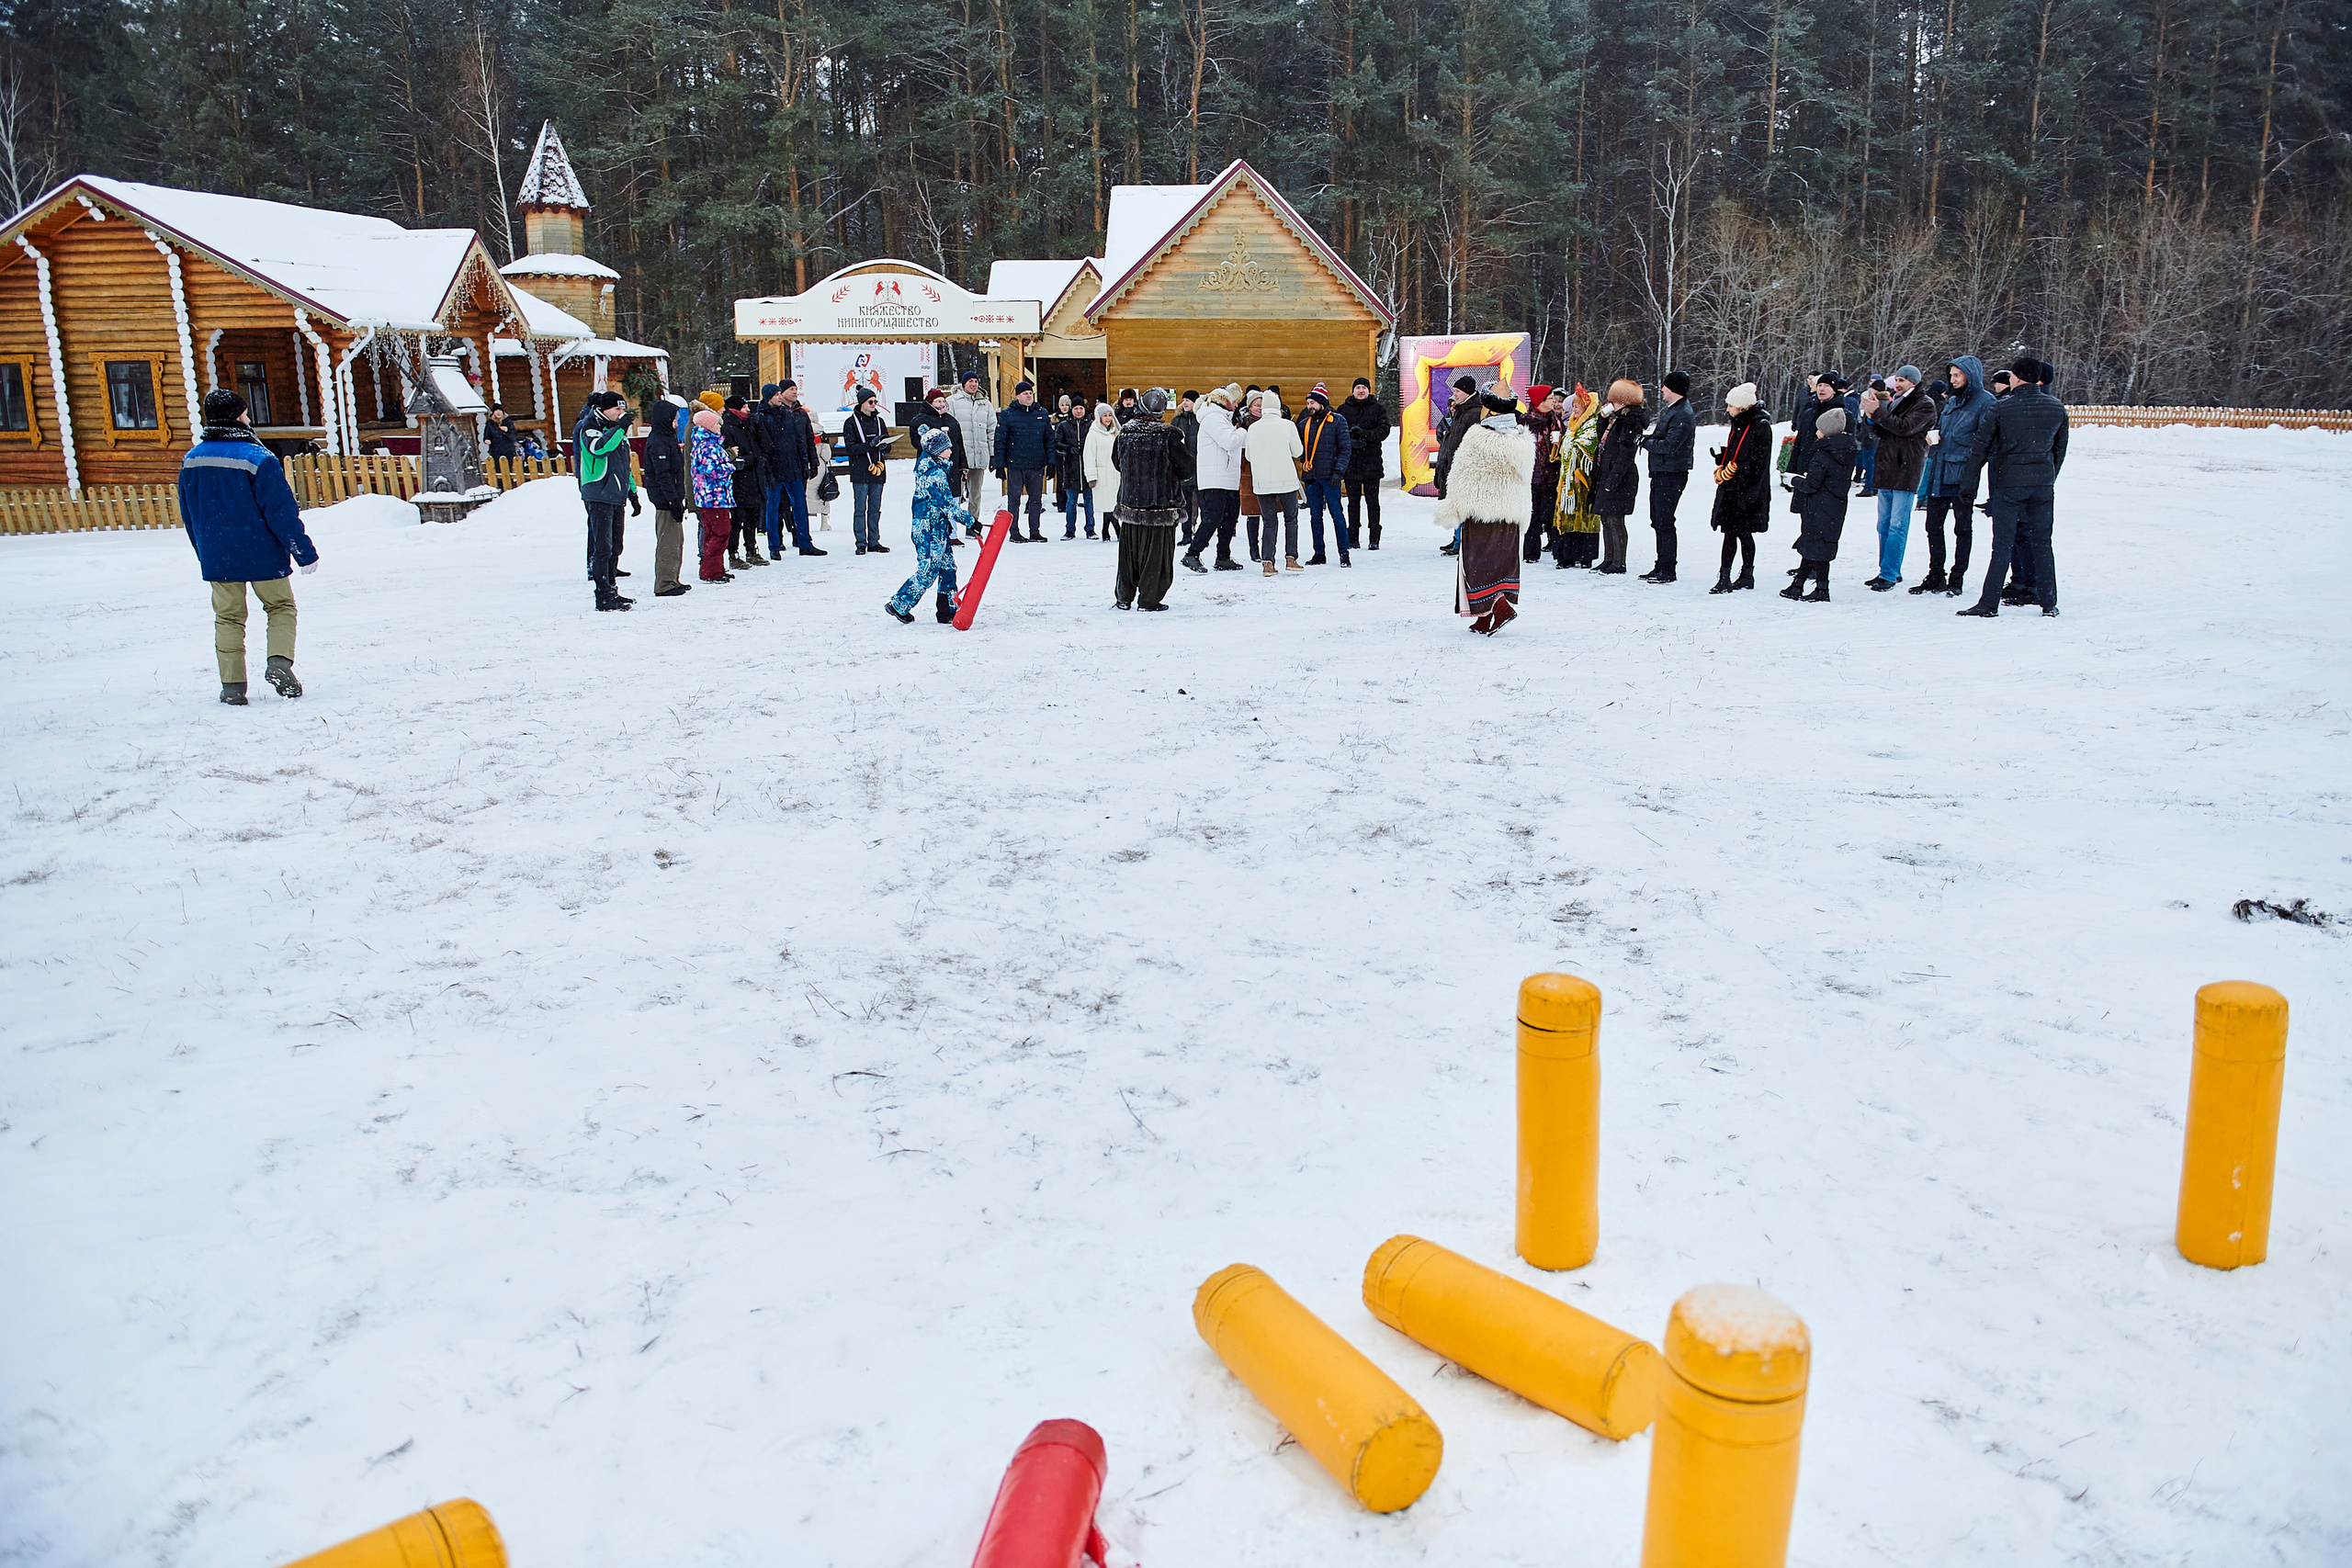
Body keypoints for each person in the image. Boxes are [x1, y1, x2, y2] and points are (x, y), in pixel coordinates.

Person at [179, 389, 320, 701]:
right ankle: (279, 662)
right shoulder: (257, 457)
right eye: (245, 412)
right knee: (280, 607)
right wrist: (302, 551)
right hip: (262, 551)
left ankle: (232, 687)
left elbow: (189, 513)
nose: (248, 418)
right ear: (237, 416)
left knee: (228, 617)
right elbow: (281, 512)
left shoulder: (192, 460)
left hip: (217, 553)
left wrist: (203, 550)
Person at [1957, 356, 2068, 619]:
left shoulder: (2002, 408)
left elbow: (1979, 450)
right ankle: (2049, 601)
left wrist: (1968, 486)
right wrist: (2048, 478)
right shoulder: (2056, 408)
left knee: (2003, 544)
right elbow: (2059, 451)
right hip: (2041, 485)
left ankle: (1989, 603)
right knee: (2042, 543)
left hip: (2009, 484)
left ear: (2015, 378)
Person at [1436, 387, 1532, 635]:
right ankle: (1483, 618)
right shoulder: (1522, 438)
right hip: (1510, 512)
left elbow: (1462, 474)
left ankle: (1500, 609)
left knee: (1476, 563)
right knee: (1501, 564)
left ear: (1489, 409)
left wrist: (1452, 506)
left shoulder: (1477, 436)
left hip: (1481, 510)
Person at [883, 424, 978, 625]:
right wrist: (971, 522)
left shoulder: (935, 469)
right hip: (927, 530)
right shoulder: (934, 475)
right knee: (928, 570)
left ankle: (947, 610)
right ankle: (899, 603)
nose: (951, 451)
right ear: (936, 451)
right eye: (947, 448)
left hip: (938, 529)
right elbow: (947, 506)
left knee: (948, 568)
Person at [1915, 355, 1989, 596]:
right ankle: (1936, 574)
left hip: (1962, 474)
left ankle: (1957, 578)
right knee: (1933, 525)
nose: (1953, 379)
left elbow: (1984, 442)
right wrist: (1934, 437)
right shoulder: (1952, 401)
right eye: (1952, 375)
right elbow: (1946, 431)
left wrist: (1966, 461)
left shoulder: (1985, 402)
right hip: (1939, 470)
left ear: (1971, 375)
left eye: (1958, 375)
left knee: (1962, 528)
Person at [1111, 388, 1187, 610]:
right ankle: (1149, 599)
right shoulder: (1169, 436)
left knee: (1128, 555)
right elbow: (1186, 469)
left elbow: (1117, 462)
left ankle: (1124, 598)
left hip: (1131, 502)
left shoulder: (1125, 433)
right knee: (1157, 557)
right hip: (1160, 506)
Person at [1859, 366, 1933, 590]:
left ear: (1913, 382)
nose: (1896, 384)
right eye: (1896, 380)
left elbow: (1904, 427)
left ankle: (1889, 573)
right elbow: (1885, 429)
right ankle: (1888, 568)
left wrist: (1879, 413)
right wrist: (1871, 417)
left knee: (1897, 525)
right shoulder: (1896, 401)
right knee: (1883, 525)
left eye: (1901, 380)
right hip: (1887, 467)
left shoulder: (1925, 404)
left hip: (1905, 468)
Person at [573, 389, 640, 610]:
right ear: (604, 410)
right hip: (598, 492)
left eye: (623, 409)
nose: (621, 413)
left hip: (615, 493)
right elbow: (599, 449)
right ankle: (602, 595)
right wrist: (620, 428)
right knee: (603, 547)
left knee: (615, 547)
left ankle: (612, 589)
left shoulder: (615, 431)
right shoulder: (589, 426)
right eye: (617, 409)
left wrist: (632, 492)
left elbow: (624, 465)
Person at [1782, 404, 1856, 602]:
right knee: (1819, 545)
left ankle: (1820, 589)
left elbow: (1812, 484)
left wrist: (1793, 480)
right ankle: (1800, 585)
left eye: (1819, 428)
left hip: (1817, 506)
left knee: (1814, 545)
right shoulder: (1846, 451)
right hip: (1835, 506)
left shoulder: (1823, 453)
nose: (1816, 432)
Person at [1706, 382, 1771, 592]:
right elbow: (1740, 452)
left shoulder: (1759, 426)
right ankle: (1731, 575)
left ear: (1742, 407)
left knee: (1741, 533)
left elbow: (1759, 463)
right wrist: (1722, 456)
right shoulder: (1740, 423)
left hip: (1747, 492)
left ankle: (1741, 575)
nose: (1727, 410)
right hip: (1733, 489)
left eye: (1731, 406)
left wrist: (1747, 490)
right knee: (1733, 533)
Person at [1182, 384, 1246, 572]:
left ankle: (1223, 556)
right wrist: (1242, 431)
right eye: (1233, 402)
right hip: (1215, 478)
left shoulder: (1221, 418)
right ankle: (1192, 554)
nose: (1236, 406)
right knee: (1213, 518)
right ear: (1224, 402)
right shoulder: (1213, 418)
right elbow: (1229, 441)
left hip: (1226, 477)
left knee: (1229, 518)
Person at [761, 381, 827, 557]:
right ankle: (774, 546)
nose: (779, 397)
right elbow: (763, 449)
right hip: (774, 469)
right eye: (776, 395)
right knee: (773, 509)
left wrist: (806, 463)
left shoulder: (789, 415)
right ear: (768, 398)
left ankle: (804, 542)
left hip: (793, 467)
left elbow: (801, 441)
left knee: (800, 506)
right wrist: (767, 471)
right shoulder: (761, 417)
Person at [1590, 378, 1648, 574]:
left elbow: (1626, 454)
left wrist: (1613, 480)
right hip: (1608, 472)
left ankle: (1619, 561)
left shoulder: (1630, 421)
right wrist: (1602, 418)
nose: (1610, 404)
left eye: (1613, 401)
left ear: (1622, 402)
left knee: (1616, 519)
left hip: (1620, 476)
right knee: (1606, 517)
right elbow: (1602, 439)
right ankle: (1609, 559)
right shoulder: (1615, 419)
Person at [1641, 370, 1694, 582]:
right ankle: (1661, 565)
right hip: (1662, 472)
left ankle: (1668, 569)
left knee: (1664, 521)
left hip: (1672, 473)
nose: (1661, 389)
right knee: (1658, 520)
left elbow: (1669, 445)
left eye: (1664, 386)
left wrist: (1643, 442)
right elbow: (1660, 438)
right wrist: (1646, 439)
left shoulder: (1682, 414)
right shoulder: (1671, 410)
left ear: (1673, 389)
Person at [1244, 390, 1306, 573]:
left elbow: (1248, 455)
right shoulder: (1287, 425)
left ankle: (1268, 562)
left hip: (1262, 483)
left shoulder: (1253, 428)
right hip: (1286, 481)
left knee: (1269, 522)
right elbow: (1297, 451)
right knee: (1291, 520)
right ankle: (1291, 558)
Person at [1295, 384, 1354, 565]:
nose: (1309, 406)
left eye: (1313, 402)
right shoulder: (1304, 424)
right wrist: (1302, 460)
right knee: (1315, 516)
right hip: (1311, 477)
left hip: (1331, 477)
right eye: (1308, 403)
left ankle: (1344, 553)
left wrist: (1339, 471)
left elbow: (1345, 448)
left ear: (1322, 403)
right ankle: (1319, 553)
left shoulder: (1338, 421)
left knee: (1336, 514)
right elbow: (1298, 448)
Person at [640, 391, 692, 596]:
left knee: (676, 542)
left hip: (671, 498)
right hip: (665, 501)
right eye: (675, 419)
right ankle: (664, 584)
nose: (677, 422)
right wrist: (673, 501)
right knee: (668, 543)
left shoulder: (666, 439)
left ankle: (672, 579)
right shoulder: (658, 442)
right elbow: (663, 475)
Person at [991, 379, 1054, 543]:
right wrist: (999, 464)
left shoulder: (1041, 413)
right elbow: (1000, 440)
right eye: (1025, 393)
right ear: (1018, 396)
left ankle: (1035, 531)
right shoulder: (1008, 415)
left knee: (1036, 500)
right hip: (1015, 464)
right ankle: (1014, 532)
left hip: (1036, 464)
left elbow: (1049, 440)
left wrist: (1052, 462)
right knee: (1014, 500)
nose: (1029, 396)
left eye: (1031, 393)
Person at [1551, 384, 1600, 568]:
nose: (1574, 409)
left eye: (1578, 405)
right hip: (1567, 481)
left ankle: (1584, 555)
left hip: (1582, 481)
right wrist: (1557, 445)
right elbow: (1566, 450)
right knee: (1568, 514)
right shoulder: (1572, 426)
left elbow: (1589, 450)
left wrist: (1580, 472)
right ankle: (1568, 555)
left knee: (1584, 516)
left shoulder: (1591, 426)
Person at [1339, 376, 1390, 549]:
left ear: (1369, 391)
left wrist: (1366, 435)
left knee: (1372, 503)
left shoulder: (1378, 409)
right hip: (1351, 463)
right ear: (1353, 390)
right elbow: (1338, 432)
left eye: (1364, 388)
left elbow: (1384, 430)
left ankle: (1374, 538)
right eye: (1358, 388)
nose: (1361, 391)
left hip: (1372, 464)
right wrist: (1350, 440)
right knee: (1352, 503)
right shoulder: (1343, 409)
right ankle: (1353, 538)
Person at [840, 387, 893, 555]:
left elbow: (888, 443)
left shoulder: (880, 421)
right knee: (860, 508)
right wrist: (868, 446)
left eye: (875, 401)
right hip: (860, 470)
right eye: (870, 402)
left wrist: (885, 446)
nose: (874, 404)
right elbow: (850, 448)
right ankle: (861, 542)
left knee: (875, 508)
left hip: (878, 469)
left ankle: (874, 540)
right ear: (862, 403)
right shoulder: (851, 422)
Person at [720, 395, 771, 569]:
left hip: (755, 478)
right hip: (740, 480)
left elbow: (766, 445)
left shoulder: (750, 425)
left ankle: (752, 550)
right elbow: (733, 456)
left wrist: (759, 426)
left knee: (753, 518)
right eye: (744, 407)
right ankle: (733, 554)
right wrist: (752, 460)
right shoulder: (728, 428)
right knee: (737, 520)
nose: (748, 410)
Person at [690, 404, 735, 584]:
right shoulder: (707, 446)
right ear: (708, 426)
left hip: (711, 496)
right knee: (720, 533)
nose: (720, 427)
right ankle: (712, 570)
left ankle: (714, 569)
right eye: (717, 424)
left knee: (713, 533)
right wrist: (731, 466)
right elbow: (713, 471)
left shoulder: (707, 443)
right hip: (714, 497)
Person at [1519, 384, 1565, 563]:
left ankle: (1558, 551)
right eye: (1550, 398)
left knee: (1554, 513)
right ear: (1540, 401)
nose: (1554, 401)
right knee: (1533, 514)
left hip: (1553, 473)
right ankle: (1531, 553)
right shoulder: (1525, 421)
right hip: (1533, 474)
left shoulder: (1556, 420)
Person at [946, 371, 996, 522]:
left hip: (979, 455)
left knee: (975, 494)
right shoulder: (952, 402)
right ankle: (952, 528)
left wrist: (993, 454)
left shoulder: (985, 404)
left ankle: (973, 524)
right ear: (963, 384)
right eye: (970, 381)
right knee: (956, 494)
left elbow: (992, 429)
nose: (974, 384)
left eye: (976, 381)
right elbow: (949, 430)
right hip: (960, 457)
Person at [1432, 373, 1480, 497]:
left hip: (1462, 475)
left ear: (1467, 392)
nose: (1455, 394)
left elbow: (1472, 447)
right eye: (1454, 390)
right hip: (1451, 471)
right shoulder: (1461, 411)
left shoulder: (1474, 413)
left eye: (1457, 391)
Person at [1080, 401, 1120, 540]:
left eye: (1110, 415)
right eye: (1105, 415)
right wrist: (1091, 476)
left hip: (1115, 475)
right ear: (1099, 417)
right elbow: (1089, 455)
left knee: (1111, 503)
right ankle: (1117, 529)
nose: (1108, 418)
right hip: (1102, 475)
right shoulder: (1094, 434)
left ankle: (1105, 530)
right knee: (1108, 504)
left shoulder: (1116, 432)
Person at [1171, 389, 1201, 535]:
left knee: (1203, 503)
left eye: (1188, 400)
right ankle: (1187, 533)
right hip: (1183, 467)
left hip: (1200, 466)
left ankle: (1202, 532)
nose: (1185, 403)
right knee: (1186, 502)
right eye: (1183, 400)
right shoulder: (1177, 420)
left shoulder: (1201, 419)